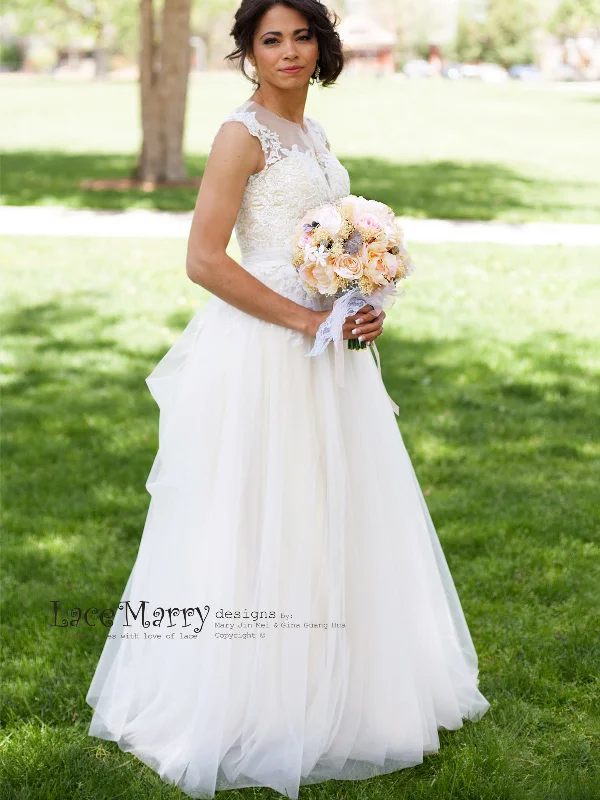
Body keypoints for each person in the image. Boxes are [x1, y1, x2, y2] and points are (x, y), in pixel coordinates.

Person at [85, 1, 491, 798]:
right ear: (246, 53)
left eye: (303, 36)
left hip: (327, 352)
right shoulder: (243, 135)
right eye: (272, 39)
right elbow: (204, 259)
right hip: (264, 354)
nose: (291, 51)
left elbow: (329, 247)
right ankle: (252, 700)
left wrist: (363, 301)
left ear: (323, 45)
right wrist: (307, 316)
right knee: (260, 514)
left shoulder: (314, 136)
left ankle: (342, 695)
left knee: (331, 510)